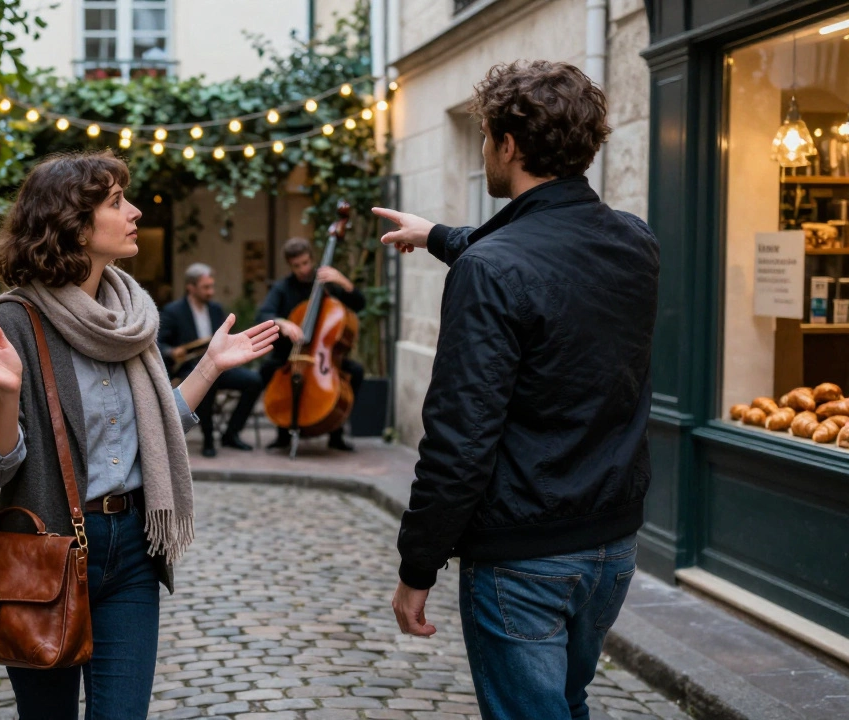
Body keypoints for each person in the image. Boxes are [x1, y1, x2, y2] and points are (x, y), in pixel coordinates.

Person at [0, 149, 278, 719]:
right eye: (117, 202)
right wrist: (6, 393)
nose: (136, 212)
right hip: (45, 554)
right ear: (73, 223)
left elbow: (152, 428)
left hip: (132, 550)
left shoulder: (129, 317)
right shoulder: (16, 320)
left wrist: (211, 366)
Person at [378, 61, 659, 720]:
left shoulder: (492, 269)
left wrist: (417, 569)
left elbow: (458, 442)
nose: (484, 150)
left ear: (508, 145)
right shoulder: (634, 242)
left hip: (524, 558)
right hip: (612, 547)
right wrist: (439, 236)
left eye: (484, 137)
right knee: (570, 702)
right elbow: (545, 257)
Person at [256, 236, 364, 452]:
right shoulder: (283, 288)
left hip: (325, 356)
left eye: (305, 263)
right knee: (268, 369)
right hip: (291, 354)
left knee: (356, 372)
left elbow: (359, 305)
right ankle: (283, 432)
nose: (303, 269)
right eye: (297, 265)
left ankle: (336, 432)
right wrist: (283, 323)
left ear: (312, 259)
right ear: (290, 265)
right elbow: (263, 315)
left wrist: (344, 283)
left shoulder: (329, 283)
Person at [158, 263, 263, 457]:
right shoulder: (173, 311)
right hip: (190, 368)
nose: (211, 291)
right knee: (208, 382)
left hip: (220, 365)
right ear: (191, 287)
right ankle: (208, 438)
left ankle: (231, 433)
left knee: (254, 381)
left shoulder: (215, 309)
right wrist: (172, 351)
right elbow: (159, 343)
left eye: (211, 286)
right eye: (206, 287)